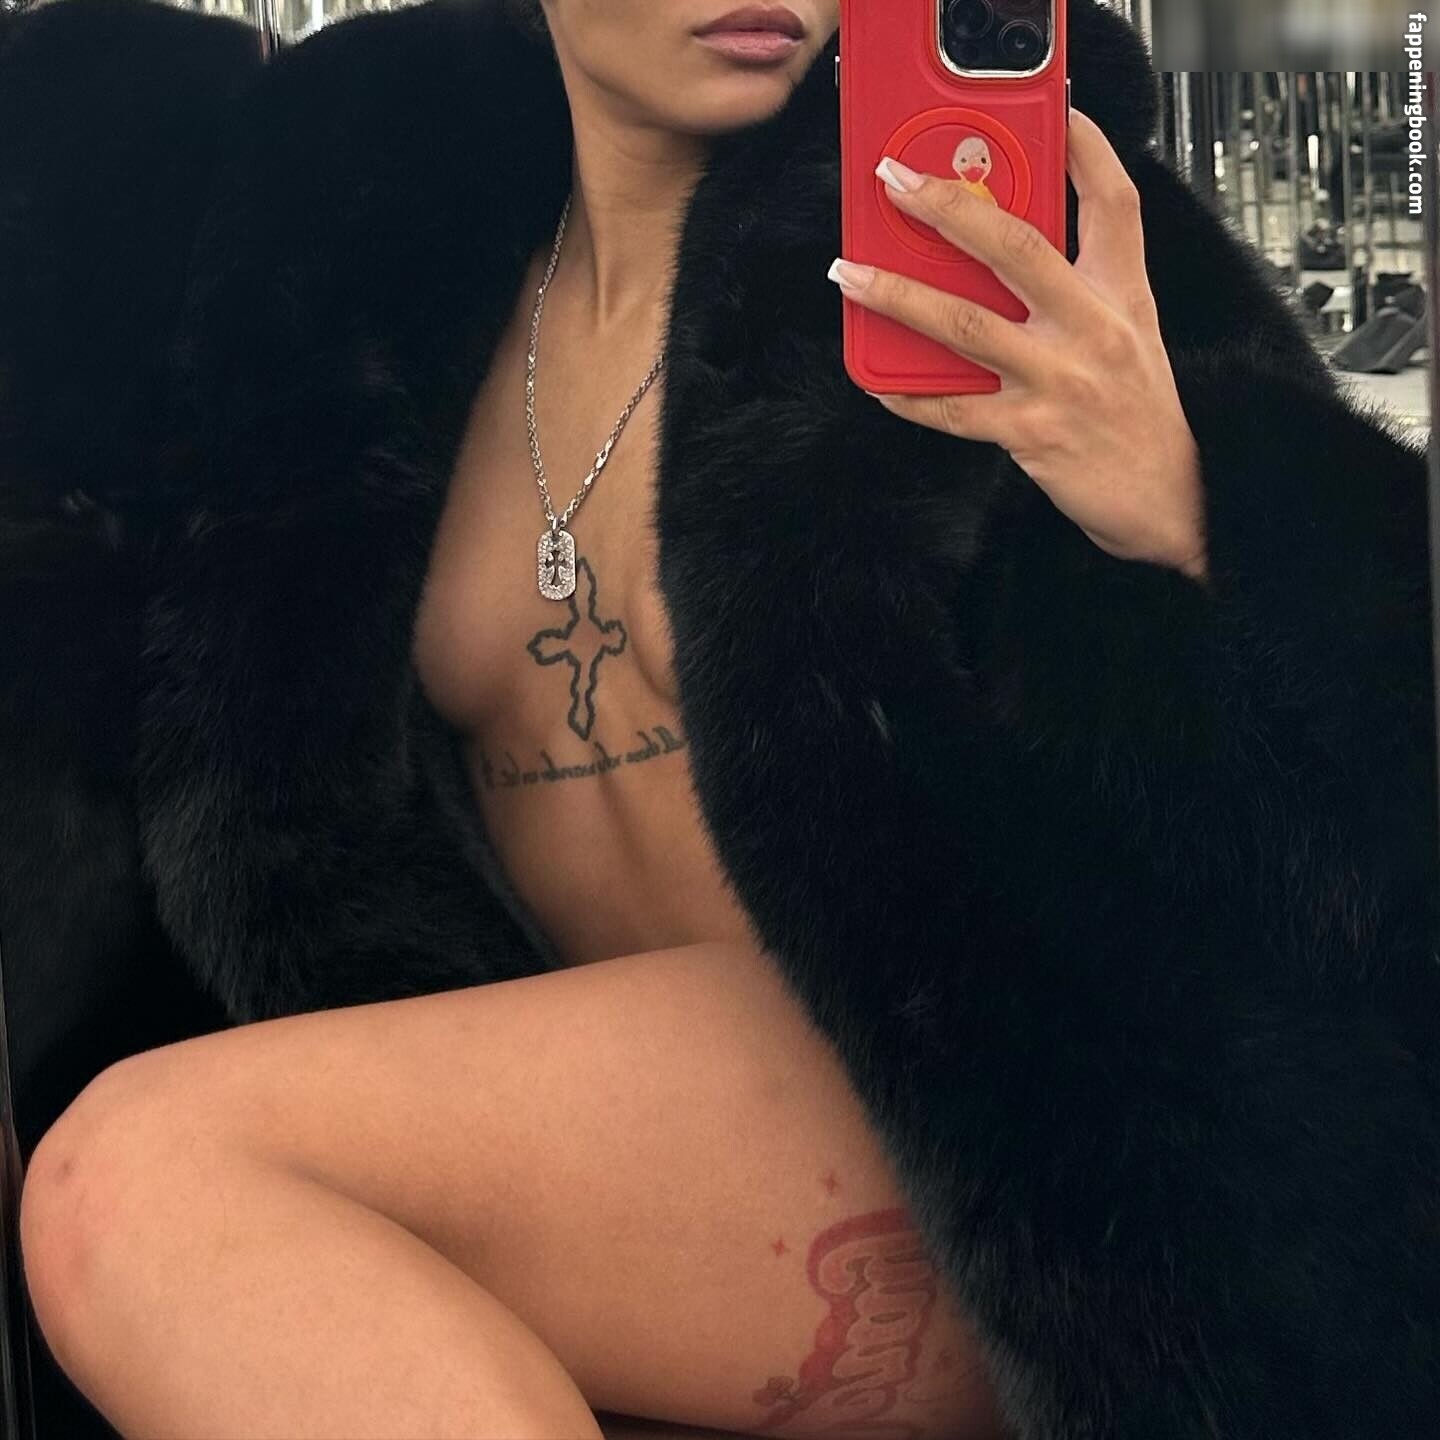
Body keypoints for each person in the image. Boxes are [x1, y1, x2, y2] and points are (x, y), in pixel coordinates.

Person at [9, 1, 1436, 1437]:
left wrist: (1192, 507)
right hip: (631, 1191)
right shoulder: (377, 281)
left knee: (134, 1182)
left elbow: (1374, 817)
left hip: (1021, 1164)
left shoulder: (1004, 220)